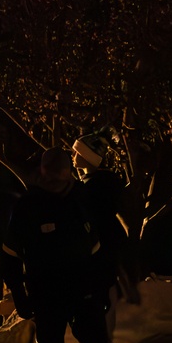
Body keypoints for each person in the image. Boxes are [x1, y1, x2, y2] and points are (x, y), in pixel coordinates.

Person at [1, 148, 110, 343]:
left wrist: (100, 288)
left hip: (83, 290)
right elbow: (10, 254)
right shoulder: (29, 204)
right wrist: (19, 295)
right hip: (46, 292)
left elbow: (95, 246)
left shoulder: (79, 199)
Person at [72, 128, 127, 314]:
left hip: (98, 248)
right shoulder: (105, 182)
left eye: (78, 152)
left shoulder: (91, 187)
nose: (73, 155)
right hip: (108, 246)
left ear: (89, 157)